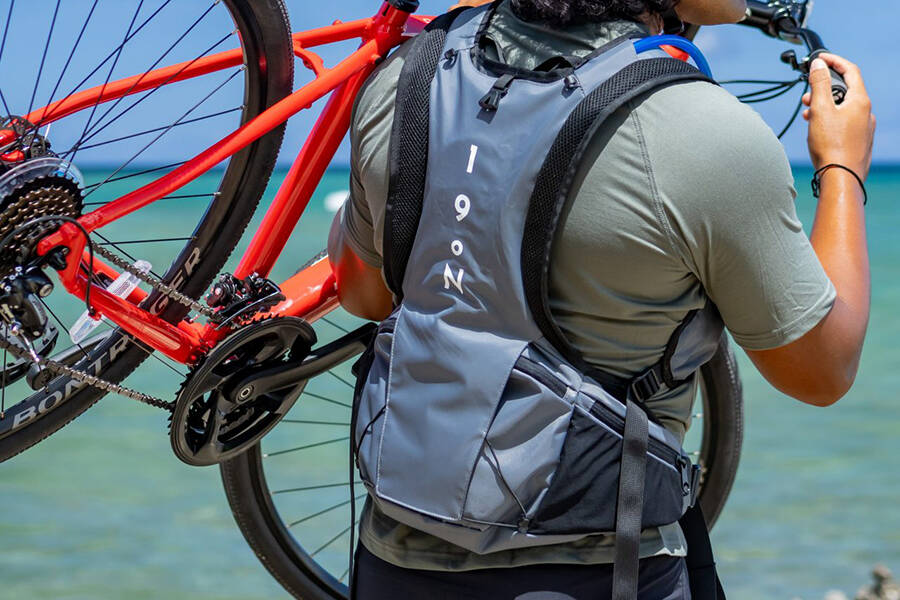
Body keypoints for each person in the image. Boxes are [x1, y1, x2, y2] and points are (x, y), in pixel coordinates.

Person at [327, 0, 875, 597]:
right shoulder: (706, 135)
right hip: (602, 573)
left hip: (392, 562)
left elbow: (363, 293)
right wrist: (842, 168)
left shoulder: (406, 76)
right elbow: (822, 370)